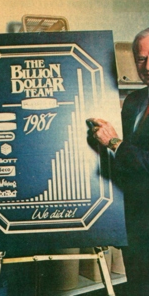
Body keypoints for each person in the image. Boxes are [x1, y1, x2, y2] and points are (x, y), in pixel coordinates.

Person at [87, 27, 149, 295]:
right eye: (141, 58)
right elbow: (124, 155)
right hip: (134, 221)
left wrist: (114, 142)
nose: (147, 66)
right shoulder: (135, 100)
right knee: (136, 286)